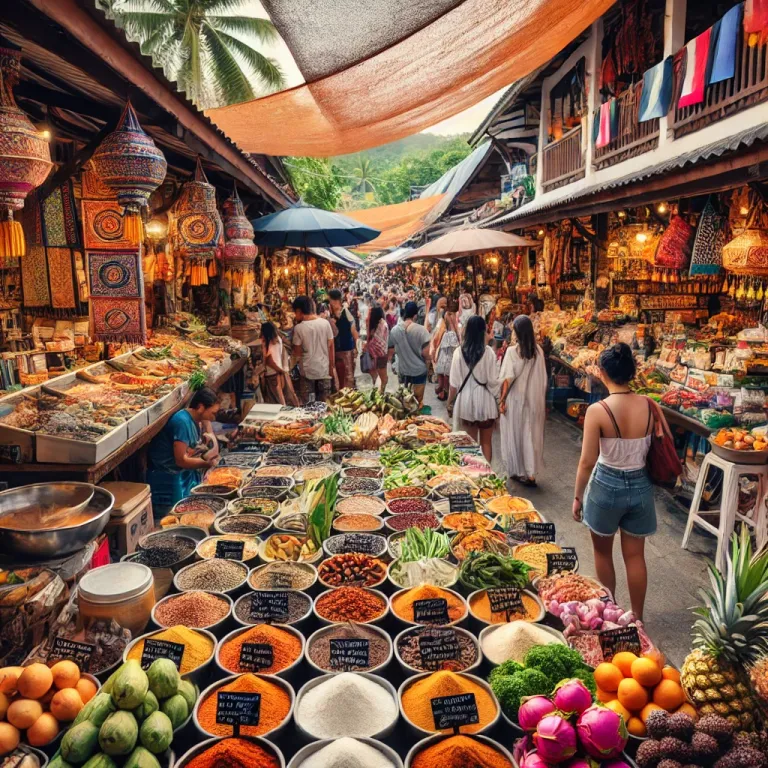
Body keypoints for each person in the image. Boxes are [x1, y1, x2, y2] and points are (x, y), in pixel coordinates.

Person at [572, 343, 664, 620]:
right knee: (635, 557)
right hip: (641, 486)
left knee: (602, 553)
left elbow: (587, 461)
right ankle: (637, 616)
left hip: (606, 486)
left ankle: (609, 612)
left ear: (602, 372)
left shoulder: (598, 411)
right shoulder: (650, 405)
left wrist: (578, 496)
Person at [499, 315, 547, 486]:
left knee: (515, 434)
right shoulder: (539, 352)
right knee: (530, 434)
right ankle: (531, 472)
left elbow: (507, 379)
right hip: (533, 401)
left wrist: (502, 400)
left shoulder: (513, 352)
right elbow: (542, 379)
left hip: (515, 400)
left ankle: (518, 470)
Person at [148, 387, 220, 498]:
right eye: (213, 413)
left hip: (182, 475)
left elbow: (207, 423)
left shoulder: (197, 417)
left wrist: (210, 435)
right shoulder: (182, 422)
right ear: (200, 407)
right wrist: (208, 463)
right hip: (167, 478)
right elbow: (181, 461)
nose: (214, 417)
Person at [447, 315, 499, 462]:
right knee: (486, 443)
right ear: (483, 331)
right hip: (486, 402)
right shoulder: (488, 352)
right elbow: (494, 382)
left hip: (465, 403)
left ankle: (472, 476)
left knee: (469, 446)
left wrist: (449, 402)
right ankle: (488, 477)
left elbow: (453, 384)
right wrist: (498, 401)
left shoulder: (458, 352)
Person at [291, 295, 335, 404]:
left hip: (307, 373)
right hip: (324, 370)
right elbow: (331, 347)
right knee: (325, 404)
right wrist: (331, 368)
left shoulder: (298, 328)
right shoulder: (325, 323)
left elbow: (297, 353)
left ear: (299, 311)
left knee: (308, 406)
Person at [388, 300, 431, 406]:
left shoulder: (394, 331)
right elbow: (427, 356)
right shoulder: (422, 331)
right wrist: (428, 370)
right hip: (419, 372)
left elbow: (390, 352)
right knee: (417, 403)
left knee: (404, 403)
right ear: (415, 316)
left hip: (403, 371)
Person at [260, 321, 298, 406]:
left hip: (272, 373)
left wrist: (280, 370)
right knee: (281, 397)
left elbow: (269, 360)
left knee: (276, 400)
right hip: (278, 372)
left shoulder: (269, 342)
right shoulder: (278, 339)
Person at [329, 288, 359, 390]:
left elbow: (354, 332)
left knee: (347, 376)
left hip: (346, 350)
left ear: (335, 301)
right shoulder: (329, 314)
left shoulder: (346, 313)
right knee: (337, 377)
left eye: (329, 300)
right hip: (334, 350)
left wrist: (356, 347)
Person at [430, 299, 460, 401]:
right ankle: (445, 390)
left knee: (443, 365)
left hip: (446, 339)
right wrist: (459, 340)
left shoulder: (446, 314)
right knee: (447, 366)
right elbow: (455, 328)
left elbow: (442, 331)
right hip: (451, 340)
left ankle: (442, 389)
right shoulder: (453, 315)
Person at [365, 305, 390, 393]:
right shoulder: (382, 324)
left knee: (379, 378)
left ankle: (377, 394)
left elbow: (371, 340)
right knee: (383, 379)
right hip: (381, 354)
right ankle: (379, 394)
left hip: (374, 354)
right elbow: (381, 341)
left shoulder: (376, 325)